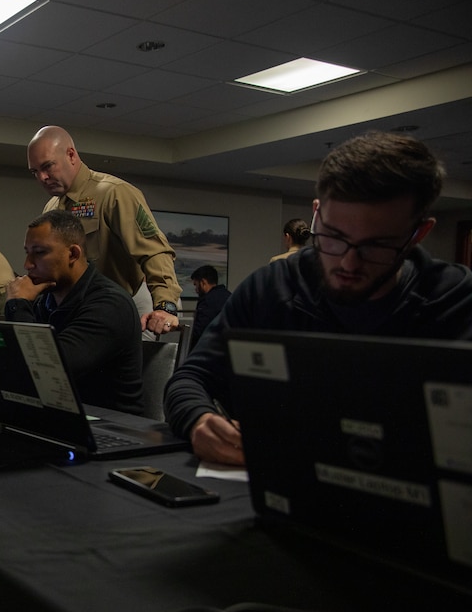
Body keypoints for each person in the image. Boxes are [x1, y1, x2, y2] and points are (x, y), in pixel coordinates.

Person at [165, 130, 472, 467]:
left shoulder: (455, 303)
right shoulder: (273, 288)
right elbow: (189, 379)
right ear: (316, 213)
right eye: (334, 237)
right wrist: (199, 421)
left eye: (376, 245)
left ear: (419, 233)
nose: (347, 263)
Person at [0, 210, 143, 415]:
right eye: (27, 252)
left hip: (108, 425)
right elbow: (18, 358)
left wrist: (18, 304)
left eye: (39, 252)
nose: (27, 264)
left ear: (73, 254)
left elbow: (47, 369)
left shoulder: (110, 304)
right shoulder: (46, 301)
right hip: (56, 416)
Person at [27, 125, 183, 336]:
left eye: (48, 166)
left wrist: (165, 306)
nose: (42, 177)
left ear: (71, 155)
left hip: (127, 304)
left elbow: (154, 251)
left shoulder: (113, 193)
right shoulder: (52, 208)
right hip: (82, 311)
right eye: (35, 171)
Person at [188, 265, 231, 350]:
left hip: (209, 350)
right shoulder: (228, 296)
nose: (196, 290)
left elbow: (198, 332)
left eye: (196, 285)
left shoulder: (208, 301)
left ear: (203, 282)